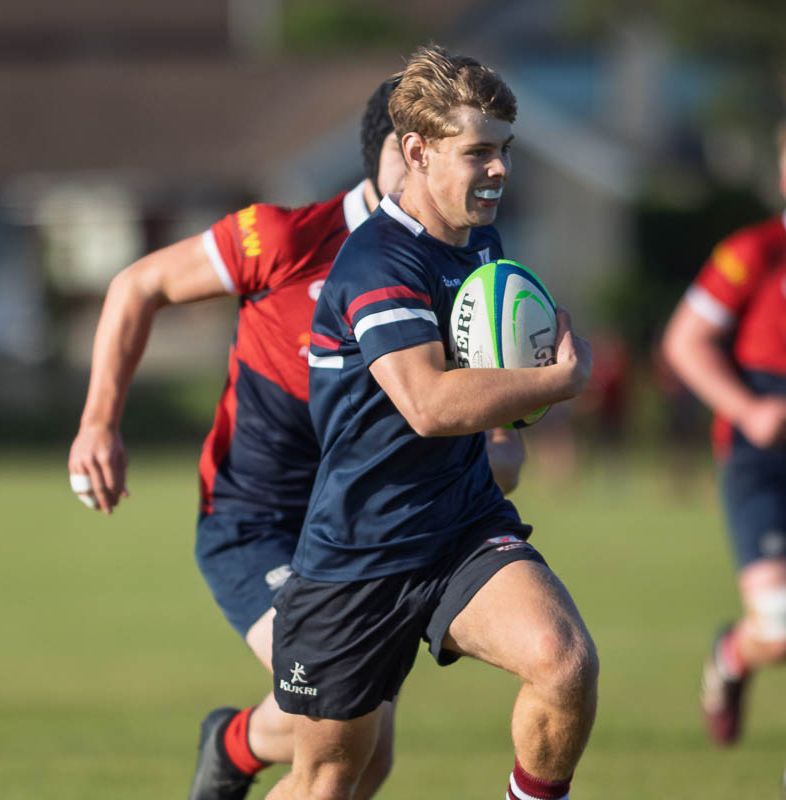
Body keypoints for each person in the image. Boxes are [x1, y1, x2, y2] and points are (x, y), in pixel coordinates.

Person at [67, 77, 524, 800]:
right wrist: (98, 423)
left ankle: (232, 744)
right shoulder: (287, 238)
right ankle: (234, 744)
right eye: (417, 154)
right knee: (351, 734)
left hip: (364, 530)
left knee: (365, 757)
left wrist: (494, 442)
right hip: (256, 522)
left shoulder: (462, 263)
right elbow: (137, 285)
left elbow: (489, 433)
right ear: (396, 151)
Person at [266, 44, 598, 800]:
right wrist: (556, 382)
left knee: (564, 662)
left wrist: (513, 418)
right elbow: (428, 403)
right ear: (416, 152)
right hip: (356, 555)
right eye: (479, 152)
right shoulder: (377, 261)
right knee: (330, 779)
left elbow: (485, 377)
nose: (500, 169)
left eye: (505, 149)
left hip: (460, 527)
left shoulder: (483, 245)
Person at [662, 124, 786, 747]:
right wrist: (750, 409)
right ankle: (733, 656)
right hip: (760, 460)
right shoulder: (755, 252)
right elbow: (684, 342)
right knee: (781, 626)